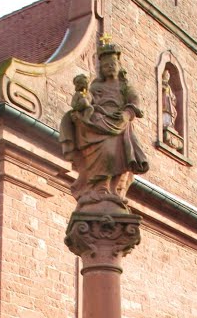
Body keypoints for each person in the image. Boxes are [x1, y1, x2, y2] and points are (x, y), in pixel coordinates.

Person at [60, 40, 149, 206]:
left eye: (112, 64)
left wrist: (127, 114)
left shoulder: (124, 86)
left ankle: (112, 189)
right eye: (106, 65)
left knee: (114, 153)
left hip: (118, 122)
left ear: (119, 65)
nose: (109, 67)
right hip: (99, 120)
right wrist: (84, 99)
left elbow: (135, 101)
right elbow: (89, 99)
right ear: (101, 68)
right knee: (98, 144)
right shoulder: (96, 85)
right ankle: (98, 188)